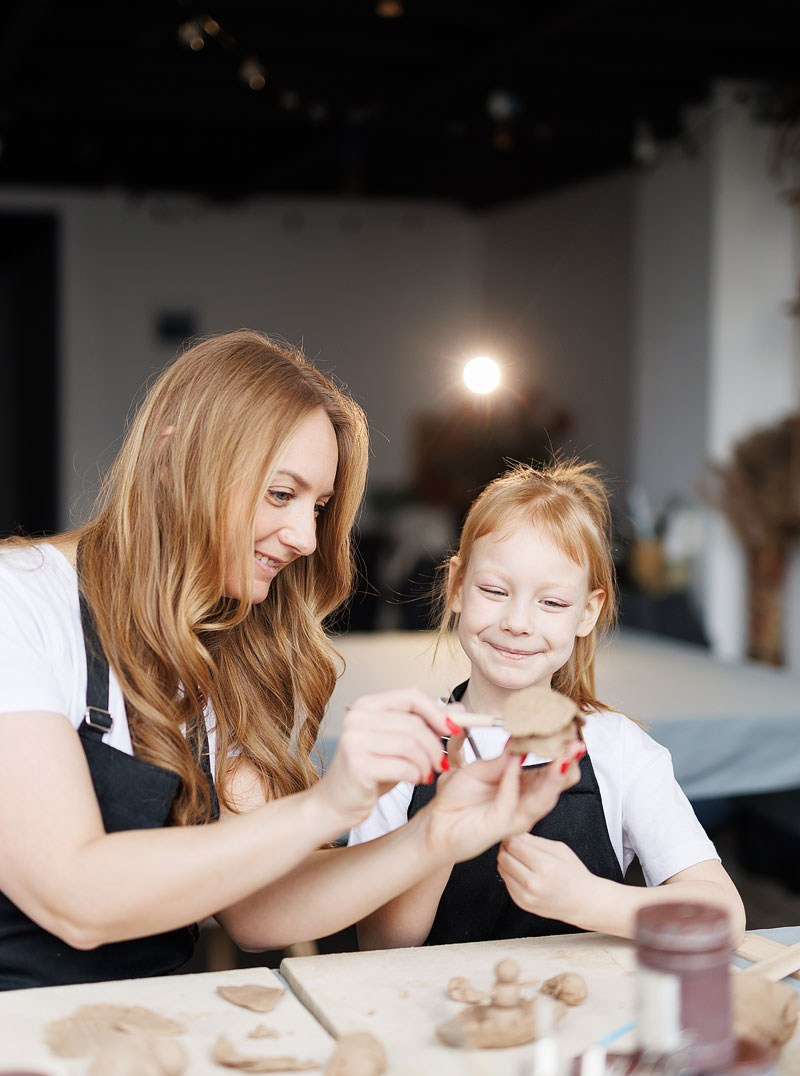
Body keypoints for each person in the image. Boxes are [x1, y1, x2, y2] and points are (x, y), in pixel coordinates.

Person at [0, 330, 584, 991]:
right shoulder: (18, 604)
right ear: (172, 462)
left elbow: (257, 910)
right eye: (282, 495)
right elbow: (74, 898)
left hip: (148, 1024)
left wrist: (433, 838)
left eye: (320, 507)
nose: (307, 538)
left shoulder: (222, 644)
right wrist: (328, 806)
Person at [349, 459, 746, 949]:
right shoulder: (406, 745)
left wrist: (587, 899)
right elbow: (380, 945)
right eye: (494, 591)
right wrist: (439, 838)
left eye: (552, 603)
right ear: (456, 587)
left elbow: (724, 916)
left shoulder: (618, 750)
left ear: (587, 612)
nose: (518, 621)